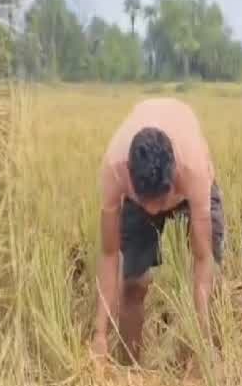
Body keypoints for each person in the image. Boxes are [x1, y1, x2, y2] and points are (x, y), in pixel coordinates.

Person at [90, 98, 225, 365]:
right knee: (133, 283)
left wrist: (203, 337)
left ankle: (207, 358)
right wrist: (99, 334)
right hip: (143, 187)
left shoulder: (193, 169)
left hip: (187, 190)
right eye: (146, 202)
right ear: (129, 172)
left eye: (159, 202)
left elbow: (203, 258)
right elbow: (108, 254)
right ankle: (130, 370)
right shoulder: (114, 170)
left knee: (212, 278)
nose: (153, 212)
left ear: (174, 172)